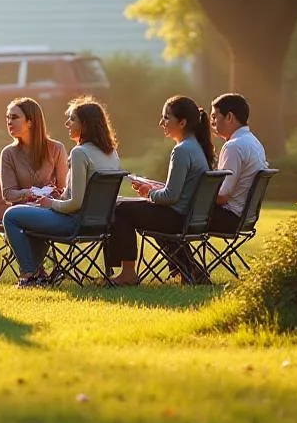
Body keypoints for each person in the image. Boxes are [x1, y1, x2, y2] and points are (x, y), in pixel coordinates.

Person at [0, 98, 122, 286]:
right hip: (100, 225)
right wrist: (57, 196)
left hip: (73, 222)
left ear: (85, 124)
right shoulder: (111, 153)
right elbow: (80, 195)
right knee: (33, 214)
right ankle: (39, 271)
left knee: (11, 215)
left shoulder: (79, 152)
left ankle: (29, 274)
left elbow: (76, 203)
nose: (67, 124)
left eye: (72, 119)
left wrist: (50, 203)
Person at [104, 95, 216, 286]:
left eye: (166, 117)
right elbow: (179, 191)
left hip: (175, 218)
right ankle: (189, 268)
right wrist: (152, 188)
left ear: (182, 122)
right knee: (124, 204)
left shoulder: (182, 150)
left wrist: (148, 192)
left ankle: (128, 274)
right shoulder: (195, 147)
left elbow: (170, 197)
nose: (161, 122)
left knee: (118, 208)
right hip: (186, 216)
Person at [208, 93, 267, 237]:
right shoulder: (254, 142)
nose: (212, 122)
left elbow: (222, 196)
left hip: (229, 218)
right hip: (244, 217)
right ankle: (182, 260)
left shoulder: (234, 146)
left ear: (229, 117)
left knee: (172, 216)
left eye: (215, 117)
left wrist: (193, 194)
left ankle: (183, 260)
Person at [0, 98, 68, 203]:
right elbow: (8, 193)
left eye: (14, 117)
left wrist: (51, 195)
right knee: (10, 214)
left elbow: (64, 189)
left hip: (49, 210)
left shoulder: (56, 149)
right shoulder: (8, 153)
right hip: (22, 211)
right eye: (7, 118)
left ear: (30, 122)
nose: (9, 122)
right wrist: (29, 193)